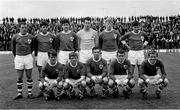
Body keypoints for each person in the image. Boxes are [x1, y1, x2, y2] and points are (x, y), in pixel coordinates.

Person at [12, 22, 35, 99]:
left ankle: (30, 93)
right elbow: (13, 48)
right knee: (19, 77)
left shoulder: (31, 37)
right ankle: (19, 94)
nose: (24, 29)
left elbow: (32, 47)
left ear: (27, 28)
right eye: (22, 27)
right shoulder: (15, 37)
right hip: (19, 57)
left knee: (29, 76)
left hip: (28, 57)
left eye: (25, 27)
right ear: (19, 28)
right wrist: (17, 55)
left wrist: (28, 53)